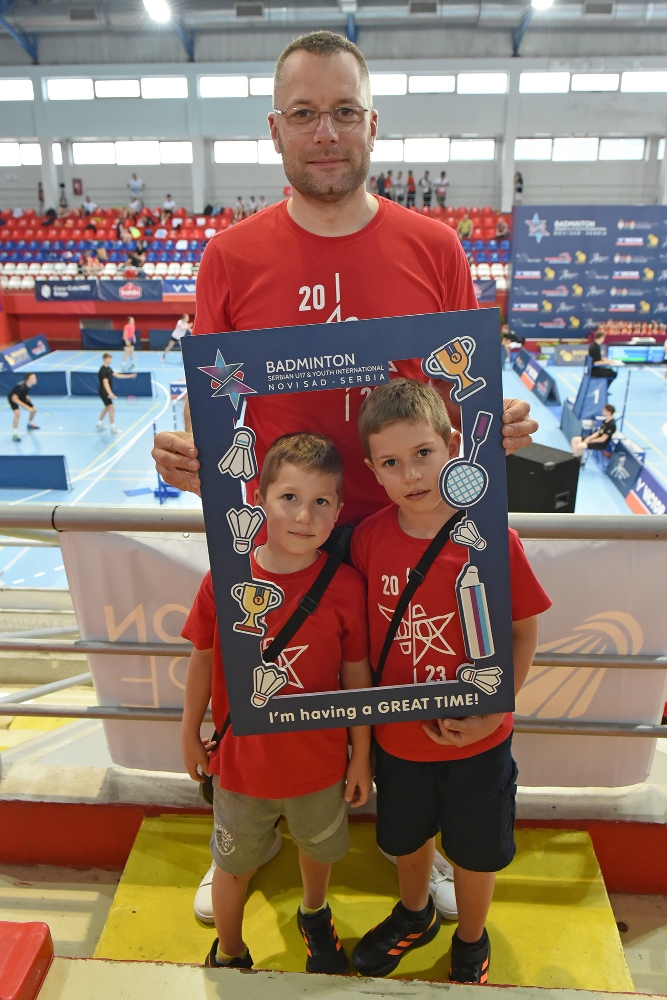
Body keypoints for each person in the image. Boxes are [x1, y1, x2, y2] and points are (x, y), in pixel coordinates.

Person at [151, 28, 536, 920]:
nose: (324, 132)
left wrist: (493, 429)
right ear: (274, 129)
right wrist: (191, 455)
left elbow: (456, 402)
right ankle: (239, 846)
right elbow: (216, 405)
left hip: (404, 530)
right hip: (285, 535)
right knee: (266, 692)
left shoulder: (434, 248)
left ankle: (418, 850)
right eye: (303, 114)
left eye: (342, 112)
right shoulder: (229, 256)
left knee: (415, 693)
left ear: (372, 123)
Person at [350, 378, 551, 982]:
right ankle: (415, 915)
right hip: (398, 741)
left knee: (474, 850)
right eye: (391, 463)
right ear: (372, 471)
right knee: (407, 840)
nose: (411, 474)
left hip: (480, 741)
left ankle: (470, 938)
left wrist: (495, 710)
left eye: (423, 453)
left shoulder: (492, 539)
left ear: (452, 445)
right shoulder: (366, 540)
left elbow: (522, 633)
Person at [181, 432, 372, 972]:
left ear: (339, 511)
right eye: (289, 497)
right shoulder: (224, 580)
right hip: (242, 769)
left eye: (321, 501)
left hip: (321, 766)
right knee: (232, 866)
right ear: (260, 498)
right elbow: (202, 657)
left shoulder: (345, 587)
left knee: (318, 851)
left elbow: (356, 676)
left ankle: (314, 912)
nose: (304, 516)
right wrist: (188, 730)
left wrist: (361, 754)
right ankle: (230, 949)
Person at [97, 352, 136, 432]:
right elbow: (105, 382)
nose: (111, 360)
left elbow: (118, 375)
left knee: (107, 407)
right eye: (110, 358)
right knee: (111, 408)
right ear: (105, 359)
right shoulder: (103, 370)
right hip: (104, 392)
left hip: (105, 392)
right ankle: (113, 427)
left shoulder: (108, 368)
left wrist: (130, 375)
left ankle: (99, 423)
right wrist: (110, 393)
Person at [9, 373, 39, 442]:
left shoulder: (29, 385)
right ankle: (15, 434)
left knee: (34, 410)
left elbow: (23, 392)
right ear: (29, 379)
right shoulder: (21, 386)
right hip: (13, 398)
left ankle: (30, 424)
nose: (35, 379)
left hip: (21, 397)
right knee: (17, 413)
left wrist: (26, 395)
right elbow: (14, 398)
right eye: (34, 378)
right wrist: (24, 405)